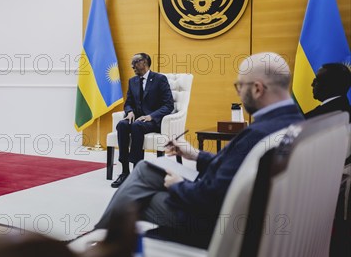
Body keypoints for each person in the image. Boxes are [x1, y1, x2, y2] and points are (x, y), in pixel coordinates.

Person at [96, 52, 304, 247]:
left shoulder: (257, 134)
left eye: (239, 86)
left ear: (257, 89)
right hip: (226, 204)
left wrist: (177, 185)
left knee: (136, 196)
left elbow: (210, 197)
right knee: (146, 168)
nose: (239, 92)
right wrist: (195, 155)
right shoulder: (296, 125)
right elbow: (235, 169)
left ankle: (100, 244)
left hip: (214, 222)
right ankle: (105, 230)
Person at [112, 53, 174, 188]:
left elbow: (168, 105)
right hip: (136, 119)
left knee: (137, 126)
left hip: (152, 121)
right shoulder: (132, 81)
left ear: (144, 62)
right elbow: (128, 103)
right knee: (122, 125)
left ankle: (137, 171)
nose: (132, 65)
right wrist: (129, 112)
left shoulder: (159, 79)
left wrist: (151, 116)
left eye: (135, 62)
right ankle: (124, 172)